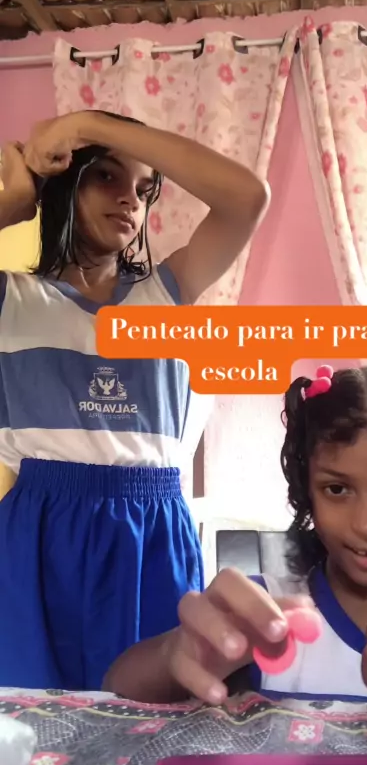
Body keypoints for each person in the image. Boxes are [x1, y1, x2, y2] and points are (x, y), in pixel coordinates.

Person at [0, 110, 269, 691]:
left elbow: (248, 198)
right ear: (64, 182)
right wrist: (14, 204)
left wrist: (89, 124)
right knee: (33, 716)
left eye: (145, 190)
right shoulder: (12, 301)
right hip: (40, 533)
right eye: (107, 176)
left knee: (154, 715)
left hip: (154, 533)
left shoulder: (167, 294)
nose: (130, 200)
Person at [105, 364, 367, 758]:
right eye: (337, 489)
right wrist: (172, 655)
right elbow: (117, 690)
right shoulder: (259, 613)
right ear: (307, 488)